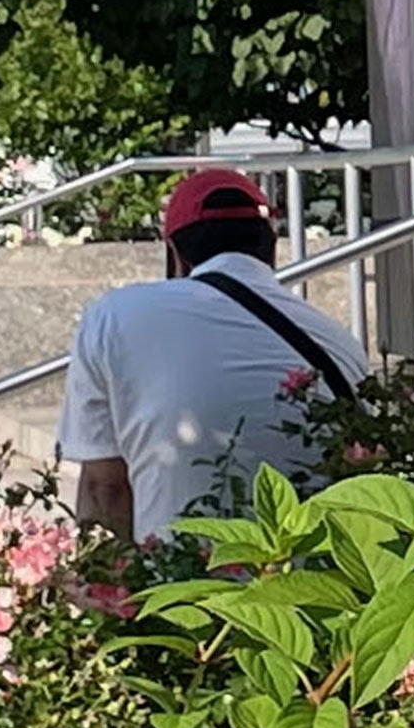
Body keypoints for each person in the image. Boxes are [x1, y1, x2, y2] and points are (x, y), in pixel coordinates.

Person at [61, 170, 362, 543]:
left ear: (175, 253)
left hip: (180, 572)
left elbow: (105, 487)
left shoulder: (114, 314)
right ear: (270, 247)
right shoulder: (338, 340)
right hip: (319, 571)